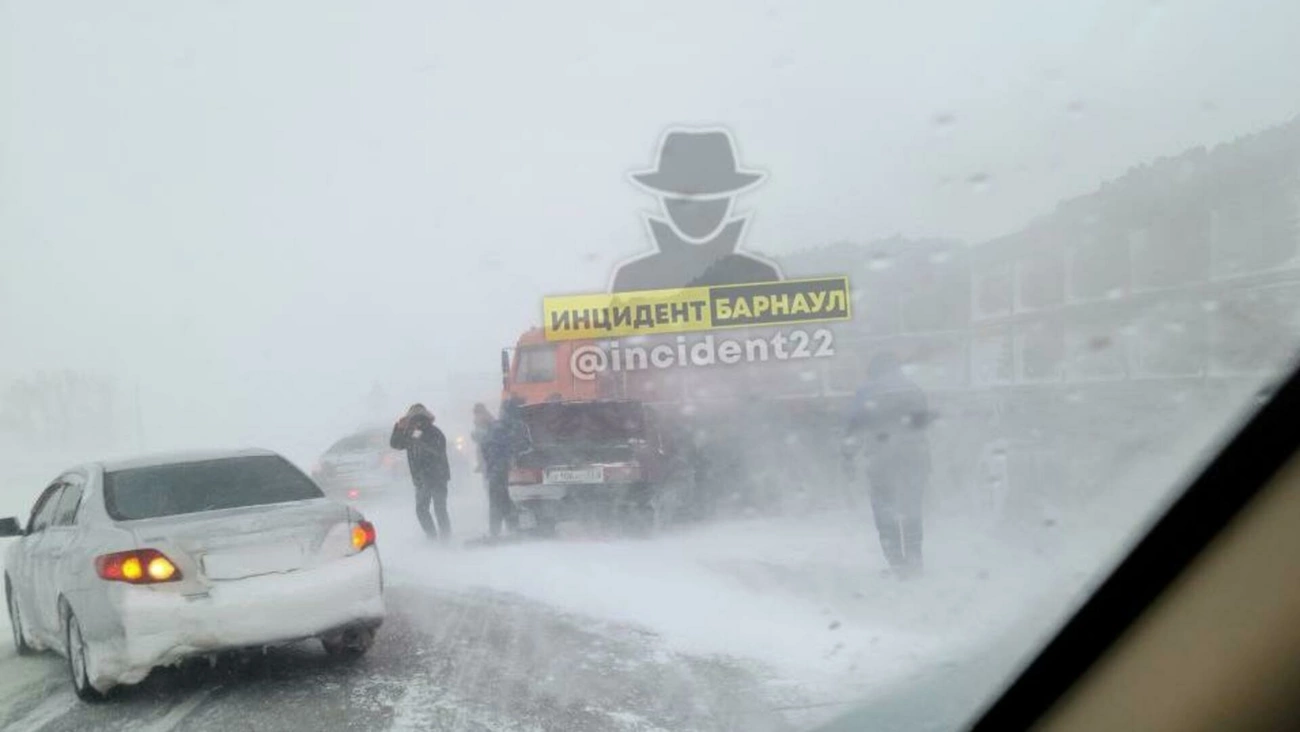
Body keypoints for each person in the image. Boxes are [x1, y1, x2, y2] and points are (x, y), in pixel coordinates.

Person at [842, 353, 933, 579]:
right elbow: (922, 425)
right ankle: (915, 564)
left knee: (885, 510)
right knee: (912, 509)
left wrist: (848, 459)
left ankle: (897, 565)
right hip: (914, 456)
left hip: (882, 459)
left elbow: (854, 428)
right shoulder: (914, 389)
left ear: (873, 371)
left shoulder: (867, 391)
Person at [390, 403, 451, 541]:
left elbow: (436, 451)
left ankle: (446, 539)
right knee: (423, 510)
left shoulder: (434, 433)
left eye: (419, 419)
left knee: (439, 509)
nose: (417, 423)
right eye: (413, 419)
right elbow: (395, 444)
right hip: (421, 480)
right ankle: (432, 537)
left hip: (437, 478)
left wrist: (418, 440)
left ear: (425, 418)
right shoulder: (411, 434)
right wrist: (399, 429)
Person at [481, 397, 528, 537]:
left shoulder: (496, 426)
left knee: (498, 499)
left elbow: (485, 447)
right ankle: (512, 527)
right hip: (510, 468)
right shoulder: (519, 426)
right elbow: (524, 445)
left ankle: (496, 530)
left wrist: (491, 462)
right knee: (505, 498)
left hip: (496, 468)